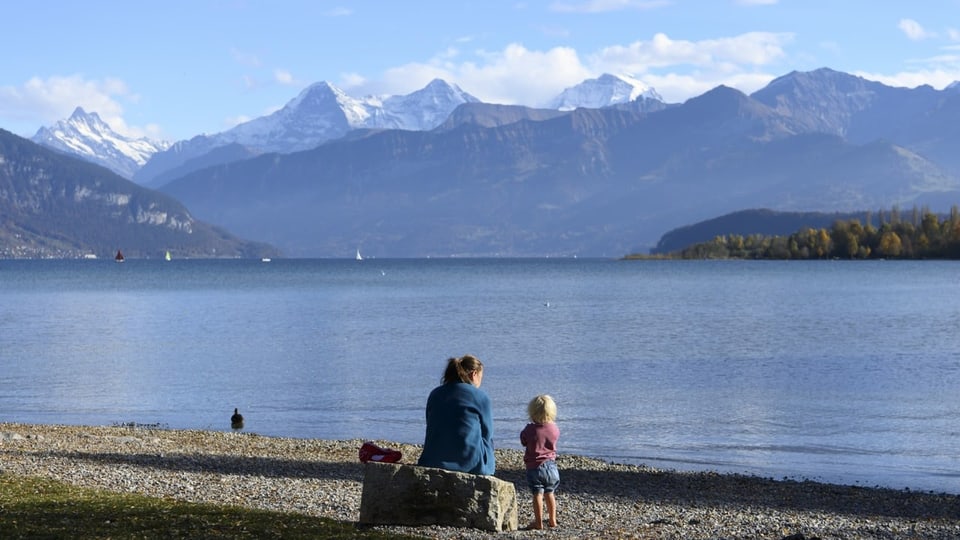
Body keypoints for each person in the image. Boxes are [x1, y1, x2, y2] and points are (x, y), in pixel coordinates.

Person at [417, 355, 495, 476]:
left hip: (433, 459)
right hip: (469, 463)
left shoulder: (435, 393)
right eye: (481, 377)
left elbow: (430, 422)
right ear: (474, 374)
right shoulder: (480, 396)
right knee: (487, 441)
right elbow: (487, 432)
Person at [520, 394, 560, 530]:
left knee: (537, 493)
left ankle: (538, 522)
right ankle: (552, 519)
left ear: (532, 413)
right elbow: (553, 440)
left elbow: (523, 441)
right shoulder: (554, 428)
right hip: (551, 467)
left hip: (535, 467)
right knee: (550, 492)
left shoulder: (530, 429)